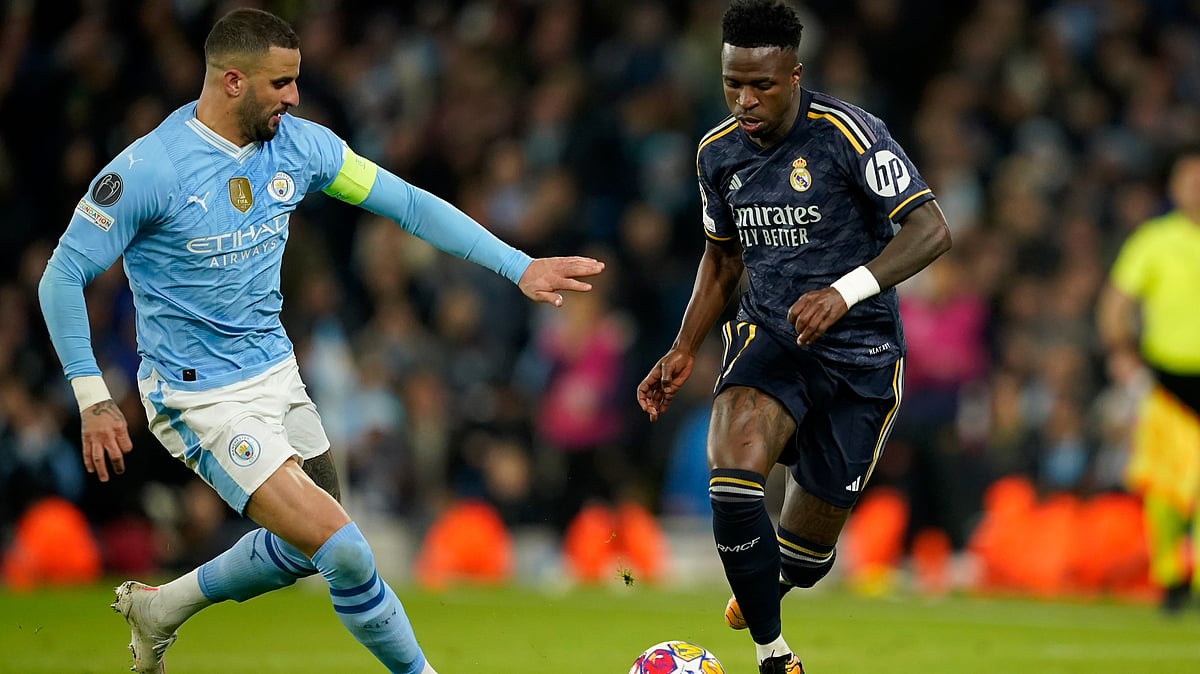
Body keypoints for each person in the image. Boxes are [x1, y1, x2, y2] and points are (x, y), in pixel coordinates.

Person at [38, 9, 603, 674]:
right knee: (345, 550)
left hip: (276, 374)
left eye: (296, 81)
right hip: (200, 399)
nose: (295, 97)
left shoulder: (301, 148)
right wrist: (93, 396)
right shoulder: (149, 170)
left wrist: (519, 266)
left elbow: (408, 204)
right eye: (281, 84)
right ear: (231, 82)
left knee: (310, 549)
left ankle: (161, 609)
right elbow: (61, 276)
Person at [635, 1, 951, 672]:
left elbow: (931, 230)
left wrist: (845, 291)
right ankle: (773, 654)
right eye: (732, 84)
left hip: (861, 358)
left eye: (762, 85)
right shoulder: (716, 154)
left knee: (806, 557)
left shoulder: (849, 134)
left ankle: (771, 583)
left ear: (795, 74)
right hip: (772, 338)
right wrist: (685, 345)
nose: (745, 100)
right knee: (733, 466)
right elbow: (723, 259)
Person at [1096, 144, 1200, 615]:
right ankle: (1169, 576)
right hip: (1169, 381)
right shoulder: (1155, 240)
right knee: (1163, 486)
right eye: (1188, 178)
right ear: (1174, 187)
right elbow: (1116, 302)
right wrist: (1121, 353)